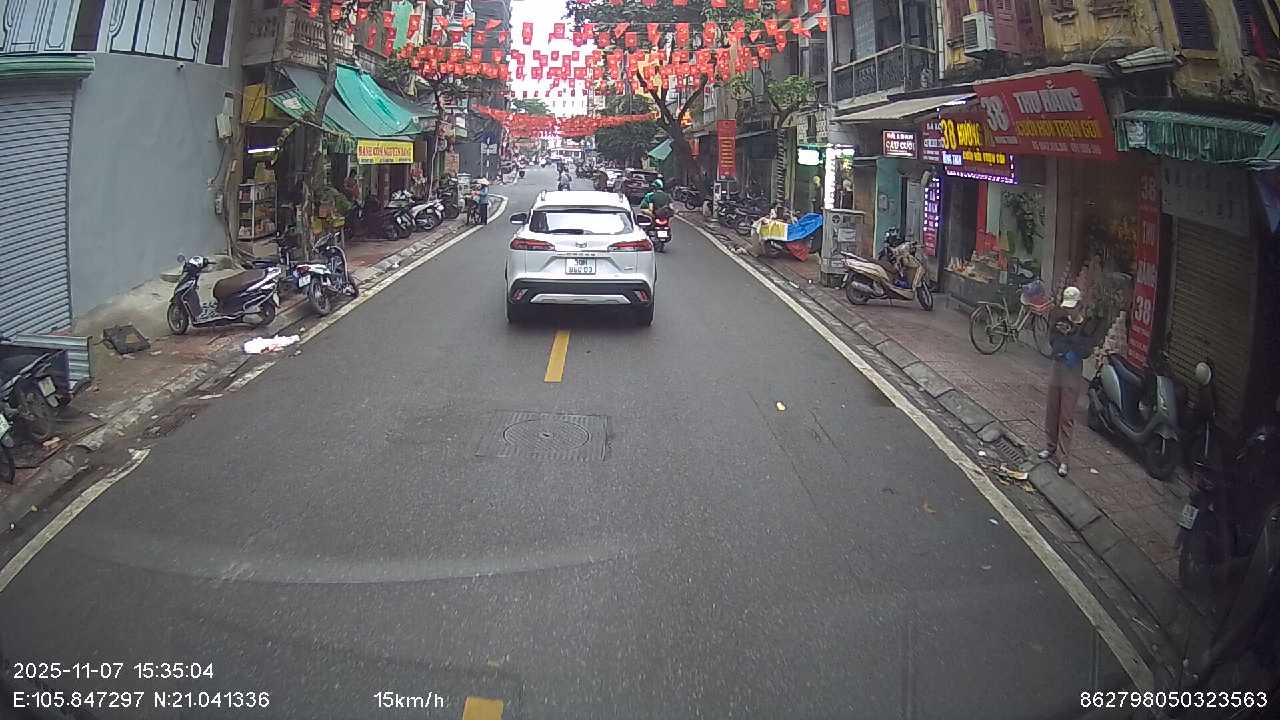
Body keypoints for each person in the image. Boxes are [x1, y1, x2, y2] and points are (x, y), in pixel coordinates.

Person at [1039, 286, 1092, 477]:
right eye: (1067, 307)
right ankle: (1050, 446)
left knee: (1066, 415)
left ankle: (1064, 458)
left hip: (1072, 371)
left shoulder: (1085, 326)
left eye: (1072, 307)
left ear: (1079, 305)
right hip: (1057, 367)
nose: (1069, 311)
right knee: (1052, 409)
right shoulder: (1060, 320)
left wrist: (1070, 337)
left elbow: (1085, 350)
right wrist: (1062, 344)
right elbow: (1053, 340)